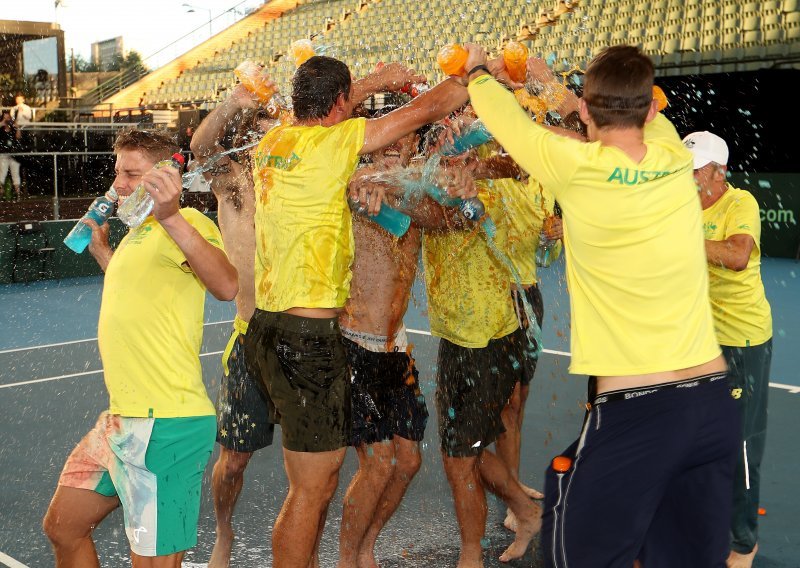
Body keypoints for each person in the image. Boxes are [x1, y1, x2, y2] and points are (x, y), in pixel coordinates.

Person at [464, 44, 738, 566]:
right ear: (652, 112)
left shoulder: (574, 165)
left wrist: (476, 69)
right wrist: (559, 90)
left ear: (588, 111)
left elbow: (504, 119)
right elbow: (623, 122)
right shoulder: (673, 155)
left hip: (638, 413)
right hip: (711, 403)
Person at [244, 56, 468, 567]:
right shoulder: (338, 143)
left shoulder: (273, 143)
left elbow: (332, 108)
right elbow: (428, 108)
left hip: (268, 327)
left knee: (311, 485)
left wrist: (371, 84)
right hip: (308, 335)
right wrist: (473, 74)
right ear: (342, 105)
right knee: (312, 490)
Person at [42, 129, 238, 567]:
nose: (119, 184)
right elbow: (142, 295)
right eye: (117, 173)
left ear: (166, 173)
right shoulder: (136, 233)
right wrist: (104, 255)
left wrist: (172, 217)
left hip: (165, 426)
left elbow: (227, 285)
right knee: (64, 526)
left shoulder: (186, 223)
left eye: (131, 173)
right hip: (120, 421)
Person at [189, 76, 279, 568]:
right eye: (262, 132)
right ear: (246, 141)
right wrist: (236, 102)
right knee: (234, 460)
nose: (271, 141)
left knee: (308, 459)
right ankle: (224, 532)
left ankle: (294, 542)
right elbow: (202, 144)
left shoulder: (297, 184)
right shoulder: (235, 184)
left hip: (303, 336)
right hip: (250, 340)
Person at [683, 131, 773, 568]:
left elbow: (738, 256)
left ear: (719, 173)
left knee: (738, 446)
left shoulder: (741, 204)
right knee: (693, 438)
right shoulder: (679, 203)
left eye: (696, 171)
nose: (688, 178)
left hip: (742, 342)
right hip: (695, 341)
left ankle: (742, 542)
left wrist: (678, 242)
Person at [0, 110, 22, 201]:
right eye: (5, 117)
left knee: (15, 174)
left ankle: (18, 194)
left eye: (8, 117)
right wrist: (2, 123)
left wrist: (17, 128)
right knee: (2, 174)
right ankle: (1, 192)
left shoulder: (13, 128)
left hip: (13, 154)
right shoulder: (1, 128)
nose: (7, 119)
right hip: (3, 153)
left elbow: (18, 137)